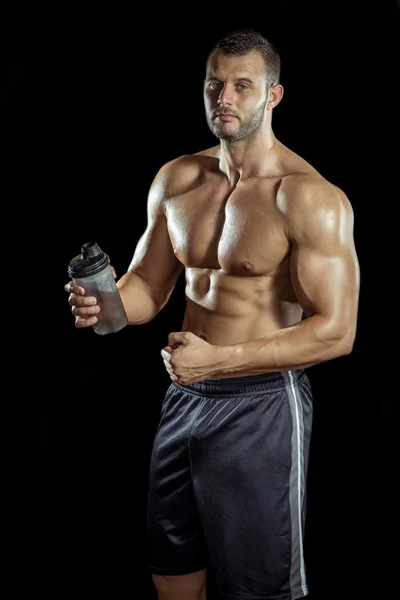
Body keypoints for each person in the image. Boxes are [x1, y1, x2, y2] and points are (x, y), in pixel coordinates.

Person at [65, 27, 360, 600]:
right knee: (172, 568)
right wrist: (105, 306)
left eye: (242, 86)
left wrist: (219, 363)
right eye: (214, 84)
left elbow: (337, 332)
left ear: (273, 95)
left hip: (262, 408)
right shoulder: (177, 179)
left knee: (258, 589)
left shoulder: (308, 197)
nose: (224, 98)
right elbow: (147, 289)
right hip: (184, 399)